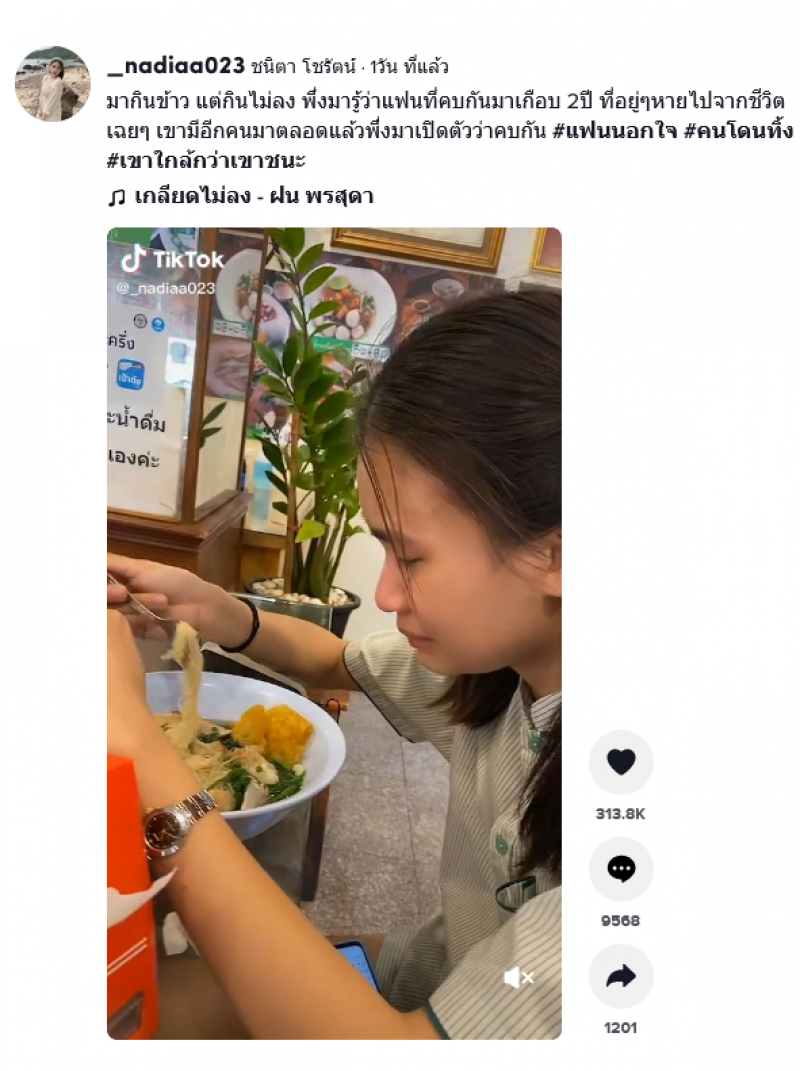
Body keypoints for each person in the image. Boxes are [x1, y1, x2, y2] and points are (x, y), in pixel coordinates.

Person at [107, 288, 562, 1040]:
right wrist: (216, 611)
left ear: (557, 553)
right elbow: (340, 659)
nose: (384, 593)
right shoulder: (502, 676)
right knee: (131, 1009)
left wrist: (138, 742)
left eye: (411, 557)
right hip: (431, 975)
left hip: (431, 1023)